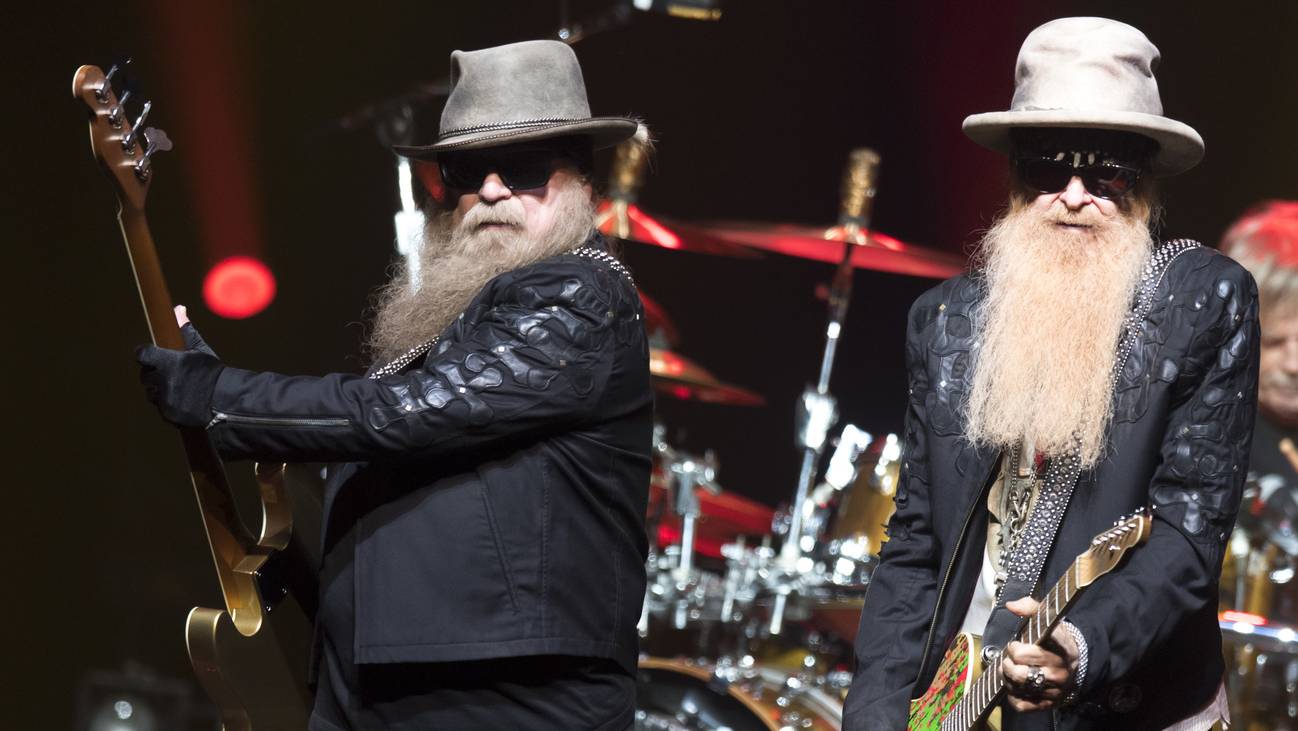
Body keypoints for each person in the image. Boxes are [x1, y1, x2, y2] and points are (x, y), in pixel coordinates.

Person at [137, 40, 653, 731]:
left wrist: (219, 396)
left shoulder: (581, 296)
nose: (491, 189)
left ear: (581, 181)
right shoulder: (469, 315)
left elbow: (403, 416)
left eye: (524, 167)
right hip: (383, 684)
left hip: (503, 700)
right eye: (465, 170)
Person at [844, 18, 1258, 730]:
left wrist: (1079, 642)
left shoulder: (1203, 302)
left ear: (1145, 183)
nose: (1073, 193)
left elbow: (1188, 538)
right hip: (961, 701)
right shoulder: (945, 323)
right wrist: (876, 714)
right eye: (1048, 167)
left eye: (1106, 171)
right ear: (1012, 177)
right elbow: (913, 547)